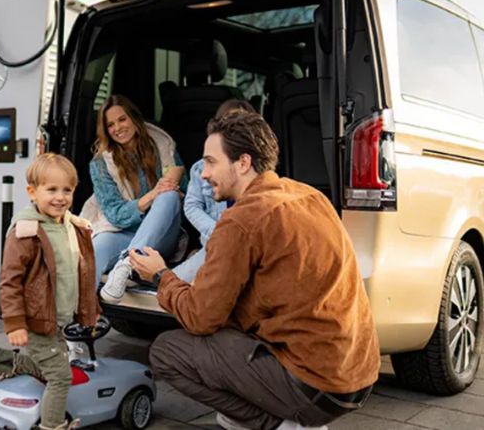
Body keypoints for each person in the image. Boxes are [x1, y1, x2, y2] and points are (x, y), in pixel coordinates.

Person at [130, 112, 380, 430]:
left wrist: (162, 275)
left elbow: (199, 317)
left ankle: (277, 425)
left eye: (210, 162)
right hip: (357, 376)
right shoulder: (309, 196)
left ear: (243, 163)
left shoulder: (240, 221)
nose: (203, 174)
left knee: (168, 351)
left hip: (315, 387)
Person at [0, 153, 99, 430]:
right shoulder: (26, 231)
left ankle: (1, 365)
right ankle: (51, 425)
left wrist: (89, 314)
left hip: (56, 319)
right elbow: (10, 280)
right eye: (51, 190)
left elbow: (81, 276)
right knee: (61, 377)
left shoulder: (70, 225)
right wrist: (14, 322)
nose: (60, 197)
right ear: (32, 191)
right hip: (35, 320)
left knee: (53, 361)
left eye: (67, 190)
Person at [80, 94, 187, 304]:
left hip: (160, 238)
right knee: (96, 248)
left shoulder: (163, 146)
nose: (117, 128)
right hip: (123, 232)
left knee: (169, 196)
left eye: (122, 119)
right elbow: (115, 214)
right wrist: (151, 195)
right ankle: (82, 319)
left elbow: (184, 191)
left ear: (134, 118)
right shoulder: (100, 164)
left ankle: (127, 263)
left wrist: (173, 189)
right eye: (110, 124)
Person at [174, 98, 255, 283]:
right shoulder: (200, 169)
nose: (234, 128)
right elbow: (192, 206)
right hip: (213, 243)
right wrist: (217, 232)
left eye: (241, 122)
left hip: (242, 248)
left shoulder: (259, 171)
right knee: (174, 283)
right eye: (228, 122)